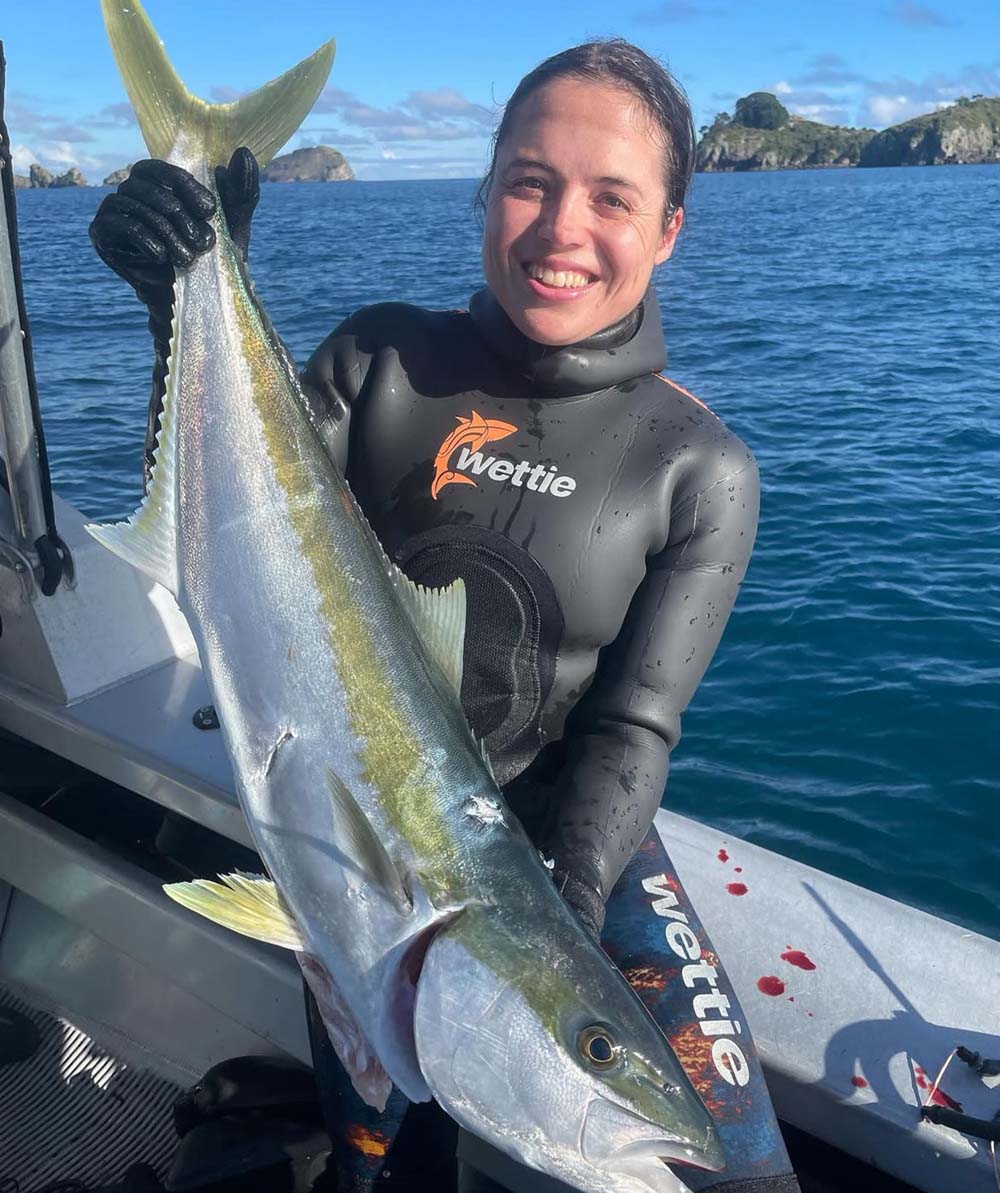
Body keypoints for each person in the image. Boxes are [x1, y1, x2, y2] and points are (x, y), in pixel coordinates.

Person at [90, 38, 800, 1193]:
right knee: (380, 1154)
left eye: (612, 197)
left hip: (573, 840)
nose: (563, 227)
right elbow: (230, 537)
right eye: (530, 179)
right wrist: (180, 293)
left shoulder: (697, 465)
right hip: (357, 820)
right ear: (485, 190)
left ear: (669, 227)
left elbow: (631, 729)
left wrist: (550, 925)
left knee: (739, 1176)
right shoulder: (381, 359)